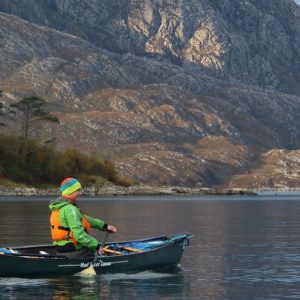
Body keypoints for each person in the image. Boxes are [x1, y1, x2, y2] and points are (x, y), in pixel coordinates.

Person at [49, 177, 117, 258]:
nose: (80, 193)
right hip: (73, 250)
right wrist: (97, 246)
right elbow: (80, 235)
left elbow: (85, 219)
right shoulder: (71, 209)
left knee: (89, 245)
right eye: (78, 190)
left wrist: (104, 226)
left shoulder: (59, 207)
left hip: (60, 248)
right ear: (70, 191)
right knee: (92, 249)